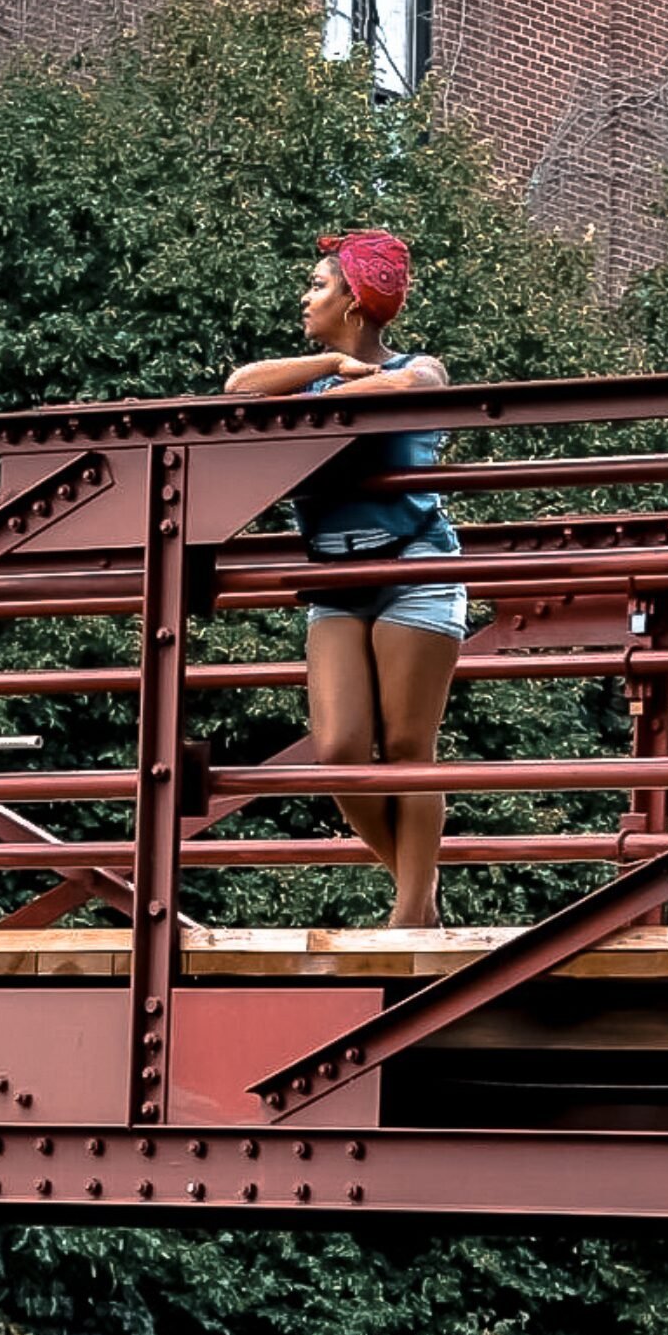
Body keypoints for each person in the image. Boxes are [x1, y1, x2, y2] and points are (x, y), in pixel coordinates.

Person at [224, 231, 464, 927]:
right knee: (338, 750)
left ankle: (409, 915)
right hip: (335, 572)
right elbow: (238, 386)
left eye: (319, 285)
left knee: (409, 745)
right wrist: (330, 364)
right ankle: (419, 898)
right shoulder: (317, 376)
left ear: (354, 301)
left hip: (414, 561)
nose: (305, 296)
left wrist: (350, 379)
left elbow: (412, 385)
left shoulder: (422, 367)